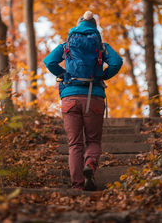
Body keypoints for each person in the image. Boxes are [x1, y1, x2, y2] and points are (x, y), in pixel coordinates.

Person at [43, 11, 123, 190]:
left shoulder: (66, 46)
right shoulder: (101, 47)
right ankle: (91, 164)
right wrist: (102, 75)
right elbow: (117, 62)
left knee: (74, 144)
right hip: (93, 96)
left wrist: (64, 75)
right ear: (95, 28)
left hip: (70, 97)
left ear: (77, 27)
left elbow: (49, 61)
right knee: (93, 141)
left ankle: (78, 185)